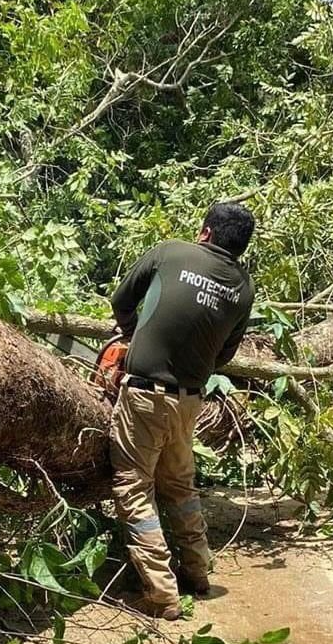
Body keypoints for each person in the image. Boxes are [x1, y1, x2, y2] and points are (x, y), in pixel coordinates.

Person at [109, 200, 256, 620]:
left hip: (144, 396)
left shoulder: (170, 251)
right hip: (190, 400)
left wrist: (137, 335)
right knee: (180, 486)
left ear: (206, 232)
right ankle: (198, 572)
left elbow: (121, 301)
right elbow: (224, 357)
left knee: (133, 486)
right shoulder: (243, 287)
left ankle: (161, 593)